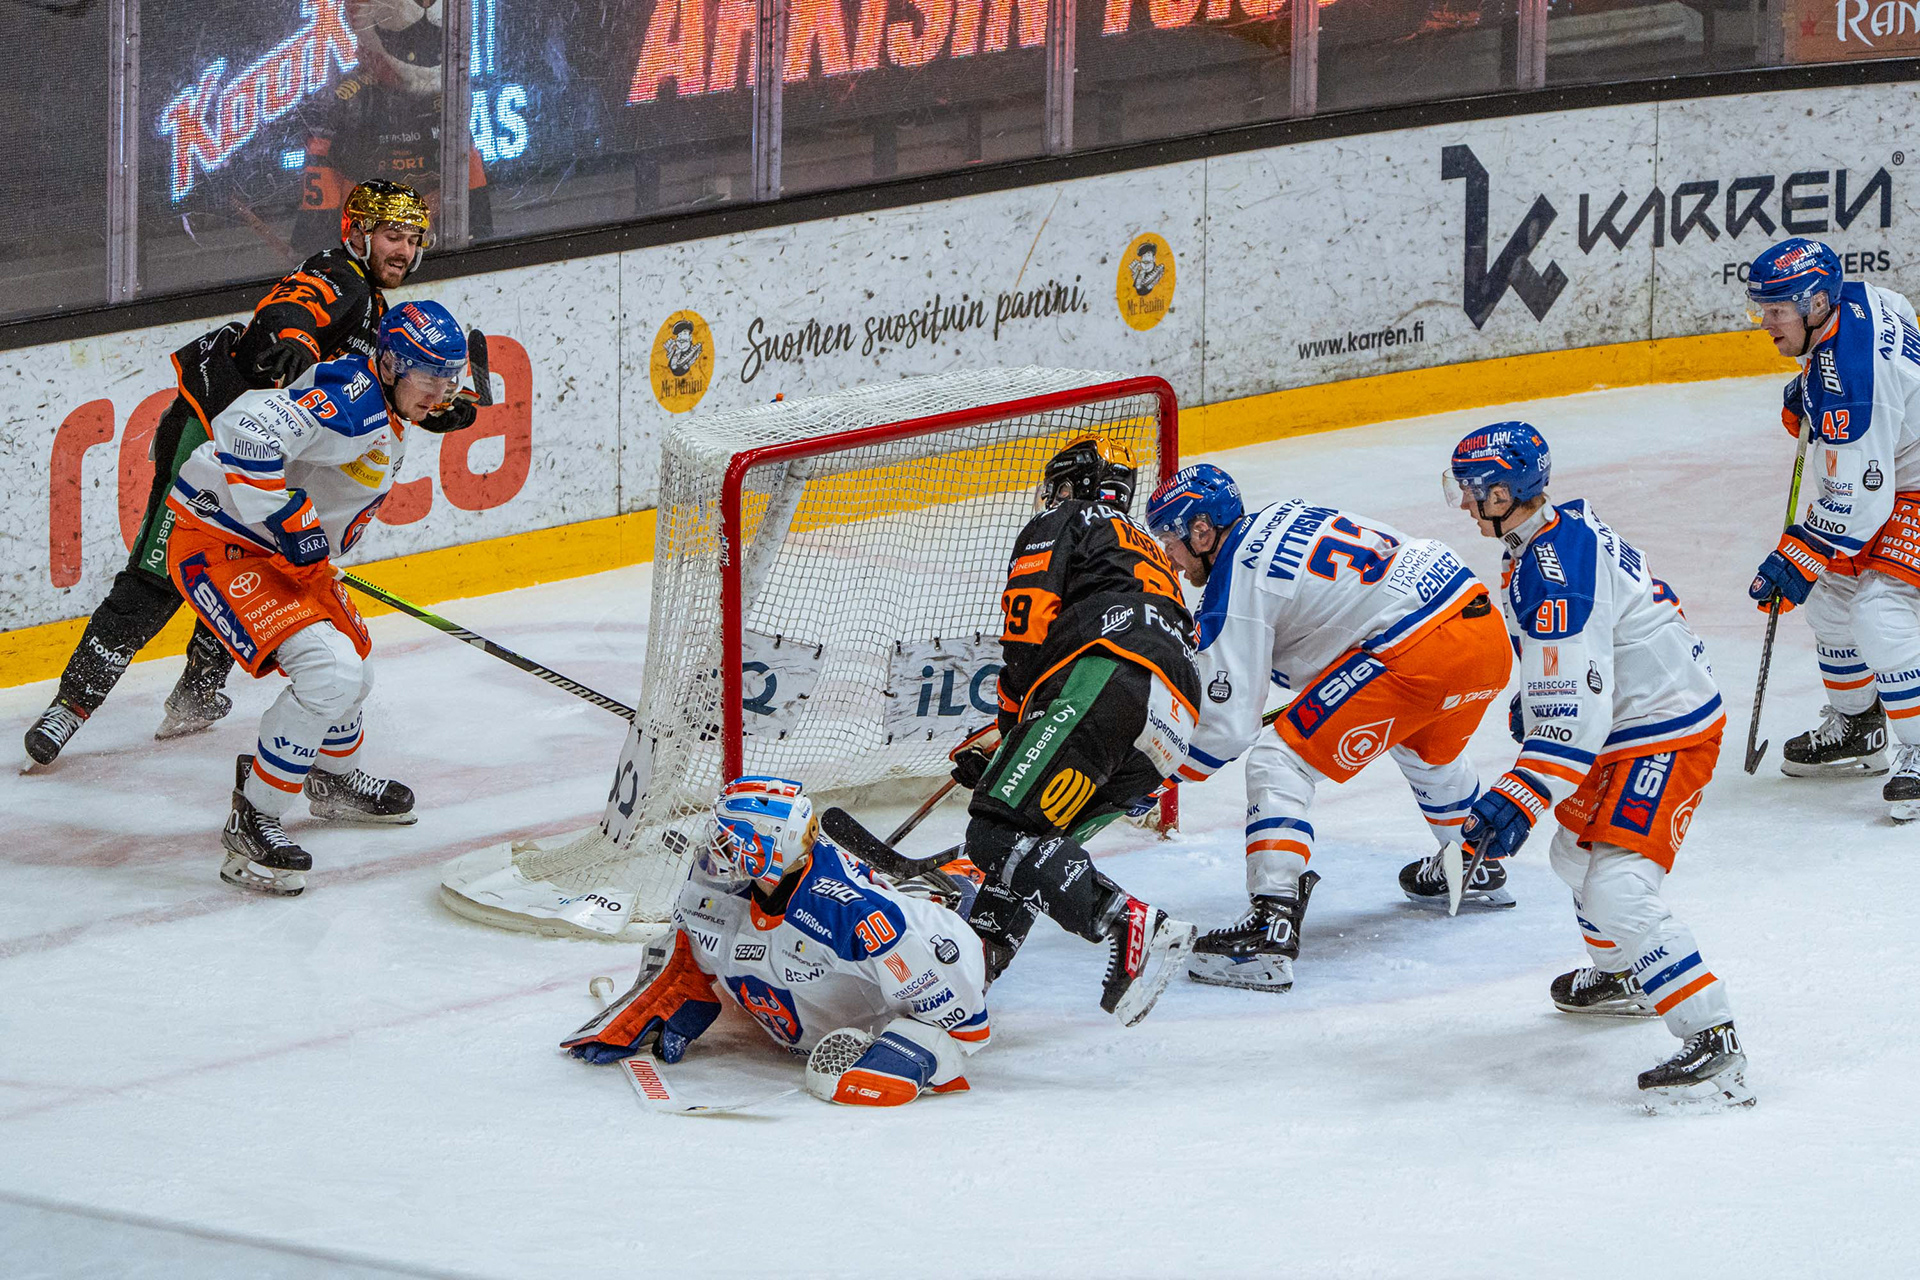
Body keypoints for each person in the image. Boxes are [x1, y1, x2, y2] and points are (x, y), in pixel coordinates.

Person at [24, 180, 477, 766]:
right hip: (211, 434)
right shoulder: (339, 276)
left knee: (248, 567)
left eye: (414, 240)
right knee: (158, 576)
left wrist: (432, 404)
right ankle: (71, 706)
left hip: (269, 455)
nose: (405, 251)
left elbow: (376, 384)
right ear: (358, 234)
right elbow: (292, 308)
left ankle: (199, 691)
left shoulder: (377, 308)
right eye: (392, 235)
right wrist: (291, 336)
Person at [1447, 422, 1750, 1108]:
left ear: (1503, 492)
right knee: (1574, 855)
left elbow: (1572, 720)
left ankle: (1714, 1037)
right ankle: (1629, 977)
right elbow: (1585, 658)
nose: (1465, 506)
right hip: (1631, 718)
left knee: (1617, 887)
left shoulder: (1553, 574)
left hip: (1666, 730)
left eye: (1472, 492)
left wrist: (1517, 794)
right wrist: (1539, 690)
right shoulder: (1549, 534)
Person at [1142, 464, 1513, 994]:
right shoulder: (1283, 514)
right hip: (1482, 636)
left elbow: (1226, 730)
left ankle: (1271, 930)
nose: (1169, 556)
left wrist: (1148, 781)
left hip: (1418, 648)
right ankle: (1476, 862)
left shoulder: (1236, 576)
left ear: (1202, 531)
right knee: (1423, 749)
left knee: (1279, 760)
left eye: (1170, 539)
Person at [162, 301, 470, 896]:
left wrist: (436, 398)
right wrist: (285, 514)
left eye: (449, 378)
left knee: (356, 663)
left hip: (279, 554)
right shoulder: (352, 392)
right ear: (388, 363)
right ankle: (253, 816)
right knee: (329, 670)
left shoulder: (384, 398)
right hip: (222, 542)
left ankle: (331, 780)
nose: (442, 393)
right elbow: (244, 429)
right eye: (430, 378)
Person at [944, 435, 1200, 1026]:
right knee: (1035, 844)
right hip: (1170, 722)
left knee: (994, 832)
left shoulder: (1065, 517)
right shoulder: (1155, 553)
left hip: (1109, 677)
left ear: (1070, 485)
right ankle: (969, 972)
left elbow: (1027, 633)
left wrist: (1010, 738)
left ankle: (1128, 919)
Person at [562, 777, 991, 1108]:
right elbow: (692, 945)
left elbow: (964, 1023)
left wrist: (920, 1050)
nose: (717, 848)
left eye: (731, 839)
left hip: (930, 943)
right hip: (816, 1011)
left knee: (956, 916)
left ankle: (961, 882)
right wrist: (673, 983)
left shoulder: (851, 915)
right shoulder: (719, 882)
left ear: (771, 845)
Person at [1744, 237, 1920, 819]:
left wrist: (1794, 555)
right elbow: (1898, 312)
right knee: (1827, 595)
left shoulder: (1854, 381)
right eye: (1762, 308)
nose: (1765, 323)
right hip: (1892, 472)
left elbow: (1861, 507)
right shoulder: (1863, 298)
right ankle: (1860, 724)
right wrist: (1813, 393)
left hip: (1903, 487)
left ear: (1817, 302)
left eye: (1777, 311)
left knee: (1880, 611)